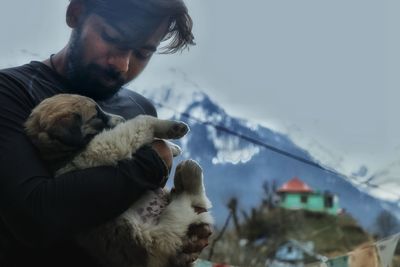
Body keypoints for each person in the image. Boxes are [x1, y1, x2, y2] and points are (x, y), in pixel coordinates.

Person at [0, 0, 211, 266]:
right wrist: (153, 161)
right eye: (112, 39)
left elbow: (137, 208)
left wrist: (184, 232)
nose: (123, 65)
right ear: (75, 13)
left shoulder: (139, 107)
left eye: (143, 53)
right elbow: (34, 217)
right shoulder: (10, 92)